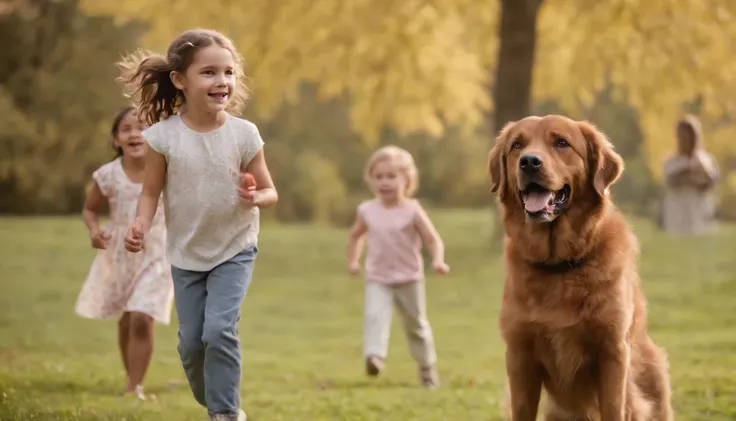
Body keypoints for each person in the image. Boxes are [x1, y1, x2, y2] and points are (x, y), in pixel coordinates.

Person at [119, 28, 278, 421]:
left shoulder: (244, 134)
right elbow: (151, 190)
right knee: (192, 344)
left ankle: (225, 412)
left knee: (219, 330)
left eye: (228, 72)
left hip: (235, 247)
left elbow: (271, 190)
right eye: (208, 72)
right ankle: (214, 398)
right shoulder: (162, 138)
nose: (221, 81)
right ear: (179, 80)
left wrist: (256, 197)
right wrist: (140, 224)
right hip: (186, 253)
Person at [76, 106, 174, 400]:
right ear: (116, 139)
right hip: (119, 253)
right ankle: (131, 378)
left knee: (142, 316)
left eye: (142, 127)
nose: (135, 134)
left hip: (158, 250)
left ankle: (134, 388)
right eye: (127, 129)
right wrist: (94, 232)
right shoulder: (107, 175)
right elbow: (90, 210)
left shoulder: (167, 170)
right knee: (127, 318)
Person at [346, 145, 450, 389]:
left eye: (392, 176)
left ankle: (426, 367)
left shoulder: (412, 210)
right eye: (379, 176)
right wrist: (353, 260)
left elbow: (433, 240)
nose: (385, 182)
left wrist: (437, 260)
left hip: (409, 278)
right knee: (375, 317)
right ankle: (375, 357)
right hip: (378, 278)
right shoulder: (367, 210)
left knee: (417, 326)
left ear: (407, 179)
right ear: (371, 180)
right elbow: (355, 236)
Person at [661, 114, 720, 235]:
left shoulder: (706, 161)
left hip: (700, 215)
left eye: (689, 136)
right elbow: (671, 181)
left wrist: (696, 173)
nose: (686, 140)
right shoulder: (671, 162)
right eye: (682, 136)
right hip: (677, 216)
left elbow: (710, 182)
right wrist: (685, 172)